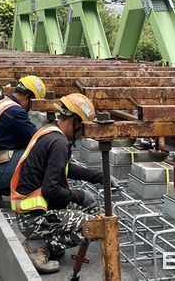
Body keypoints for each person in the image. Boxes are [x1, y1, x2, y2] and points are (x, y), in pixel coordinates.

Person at [10, 93, 119, 274]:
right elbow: (51, 190)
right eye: (82, 128)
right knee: (94, 225)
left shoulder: (50, 132)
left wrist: (100, 177)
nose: (83, 134)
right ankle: (41, 247)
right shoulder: (59, 142)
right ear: (74, 120)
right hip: (33, 219)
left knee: (90, 207)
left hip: (31, 212)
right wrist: (80, 195)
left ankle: (47, 242)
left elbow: (67, 168)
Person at [0, 75, 47, 199]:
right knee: (36, 151)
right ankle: (30, 196)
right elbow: (37, 139)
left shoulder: (2, 104)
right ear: (28, 97)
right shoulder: (15, 112)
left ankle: (0, 190)